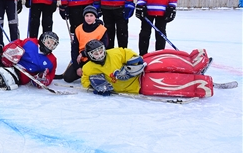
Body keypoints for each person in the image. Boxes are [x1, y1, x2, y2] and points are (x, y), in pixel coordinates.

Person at [81, 40, 213, 98]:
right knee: (171, 81)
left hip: (142, 69)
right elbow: (85, 80)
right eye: (95, 53)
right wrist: (96, 84)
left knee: (165, 62)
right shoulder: (88, 68)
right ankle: (201, 83)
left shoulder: (114, 53)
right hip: (138, 86)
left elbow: (131, 55)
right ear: (90, 56)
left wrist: (131, 68)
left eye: (100, 51)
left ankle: (195, 62)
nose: (99, 54)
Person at [59, 5, 108, 83]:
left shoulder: (102, 29)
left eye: (91, 15)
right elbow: (74, 49)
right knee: (68, 77)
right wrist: (77, 67)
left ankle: (93, 73)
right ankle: (87, 73)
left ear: (95, 16)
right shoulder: (78, 29)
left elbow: (103, 46)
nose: (89, 18)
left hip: (95, 59)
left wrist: (83, 53)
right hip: (82, 60)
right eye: (87, 16)